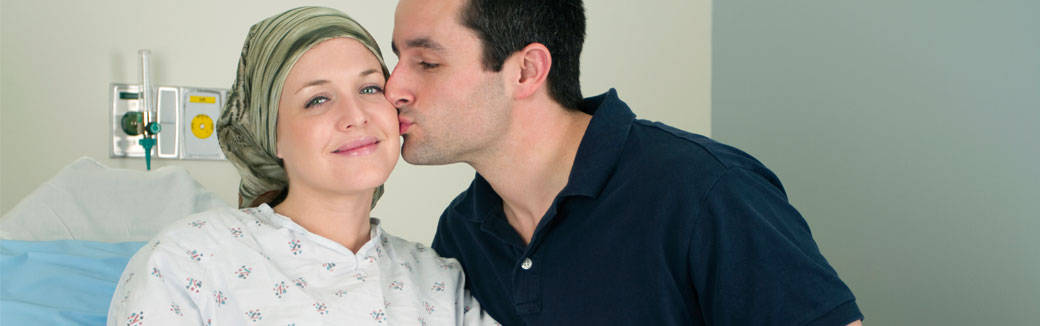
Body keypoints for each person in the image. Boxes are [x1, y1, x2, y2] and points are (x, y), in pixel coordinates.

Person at [384, 0, 864, 325]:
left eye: (427, 63)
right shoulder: (462, 233)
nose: (394, 88)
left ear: (527, 71)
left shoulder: (706, 192)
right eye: (397, 59)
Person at [108, 7, 493, 325]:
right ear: (271, 135)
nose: (355, 115)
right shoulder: (186, 262)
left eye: (370, 88)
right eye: (318, 100)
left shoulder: (439, 282)